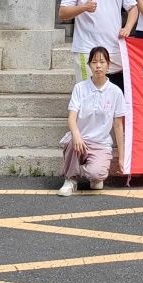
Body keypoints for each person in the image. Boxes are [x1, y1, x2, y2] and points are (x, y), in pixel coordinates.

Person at [58, 0, 137, 90]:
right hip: (86, 48)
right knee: (87, 91)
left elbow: (132, 8)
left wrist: (127, 28)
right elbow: (62, 13)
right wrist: (83, 7)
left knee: (115, 91)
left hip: (114, 48)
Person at [58, 45, 126, 196]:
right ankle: (70, 179)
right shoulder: (80, 88)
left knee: (97, 175)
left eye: (102, 62)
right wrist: (76, 135)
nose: (98, 66)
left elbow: (118, 126)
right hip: (81, 141)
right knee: (72, 141)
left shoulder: (115, 92)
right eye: (94, 62)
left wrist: (121, 158)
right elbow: (72, 118)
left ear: (108, 65)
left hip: (101, 144)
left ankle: (88, 174)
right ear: (89, 65)